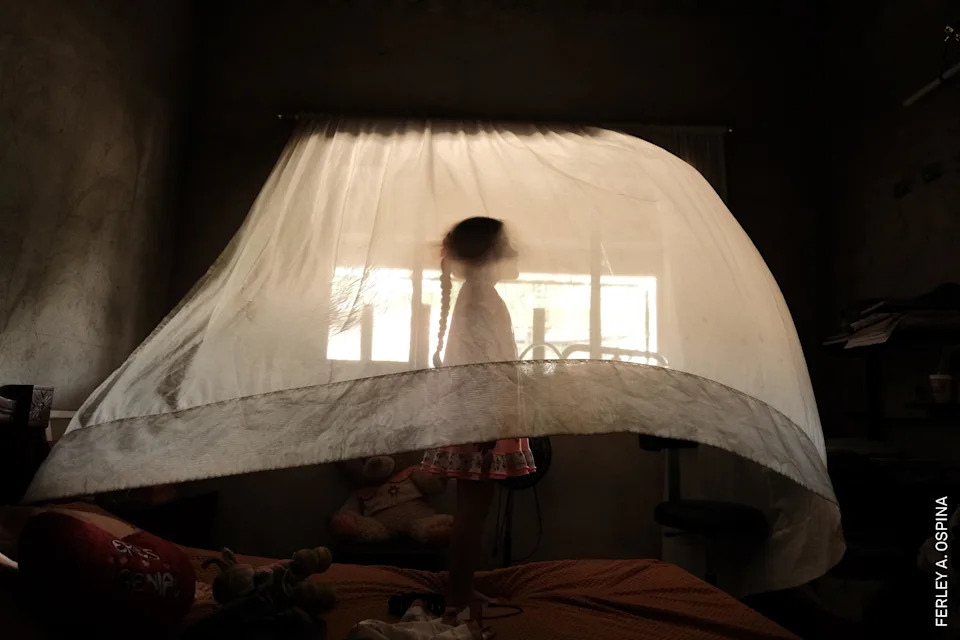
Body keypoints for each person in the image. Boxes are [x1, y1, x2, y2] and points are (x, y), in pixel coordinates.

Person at [421, 217, 536, 625]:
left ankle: (461, 588)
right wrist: (487, 422)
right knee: (473, 509)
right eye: (509, 245)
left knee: (474, 508)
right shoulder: (481, 298)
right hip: (479, 417)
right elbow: (481, 367)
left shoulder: (480, 295)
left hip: (479, 414)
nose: (517, 252)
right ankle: (458, 594)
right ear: (489, 254)